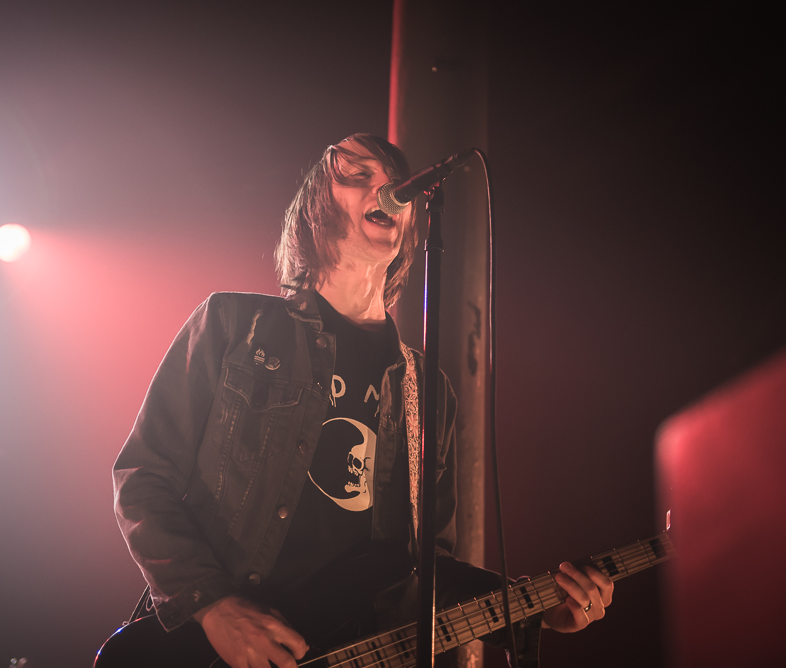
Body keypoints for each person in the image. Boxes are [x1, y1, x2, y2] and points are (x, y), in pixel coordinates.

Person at [113, 134, 614, 668]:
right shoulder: (236, 326)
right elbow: (143, 479)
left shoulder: (428, 392)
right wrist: (214, 607)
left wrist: (534, 610)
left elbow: (427, 575)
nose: (388, 189)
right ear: (314, 211)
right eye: (357, 175)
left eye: (394, 180)